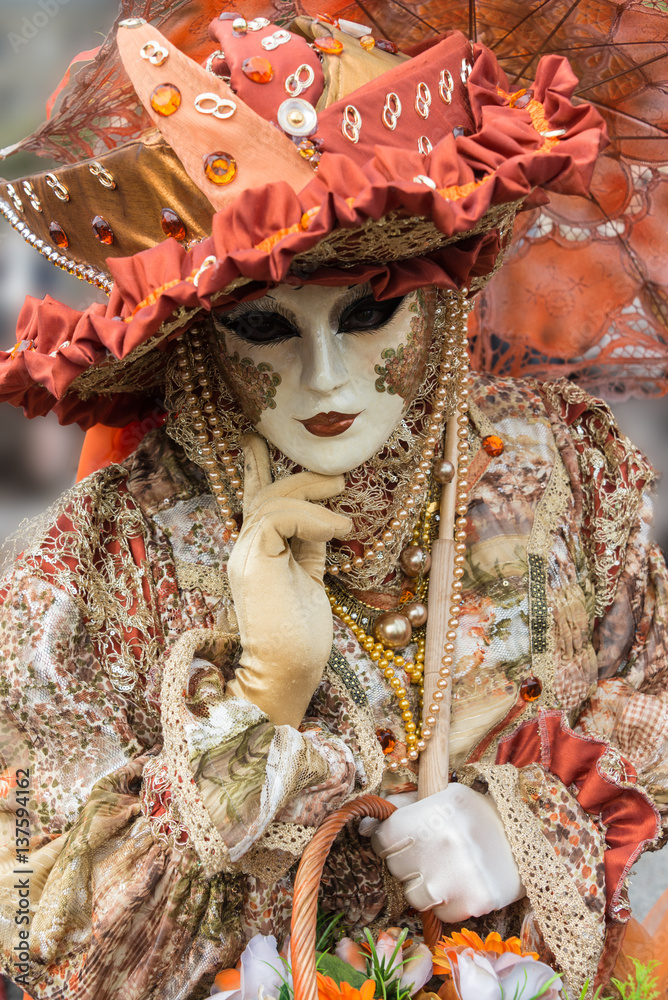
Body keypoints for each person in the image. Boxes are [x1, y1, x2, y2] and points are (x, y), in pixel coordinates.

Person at [0, 6, 665, 999]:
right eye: (266, 325)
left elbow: (648, 699)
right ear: (199, 332)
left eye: (367, 311)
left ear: (441, 287)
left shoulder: (559, 467)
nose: (323, 379)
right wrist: (261, 698)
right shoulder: (106, 558)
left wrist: (528, 824)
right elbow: (56, 943)